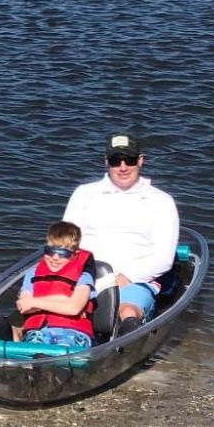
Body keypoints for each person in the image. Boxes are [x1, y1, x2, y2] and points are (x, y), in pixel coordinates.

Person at [61, 133, 180, 325]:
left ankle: (126, 340)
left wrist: (127, 277)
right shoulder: (84, 193)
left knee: (126, 310)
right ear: (107, 162)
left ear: (140, 161)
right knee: (45, 300)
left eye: (130, 160)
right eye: (116, 161)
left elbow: (164, 258)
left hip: (133, 281)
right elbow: (66, 242)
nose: (123, 167)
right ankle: (10, 333)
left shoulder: (162, 201)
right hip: (86, 275)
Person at [11, 220, 97, 348]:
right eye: (50, 251)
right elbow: (24, 306)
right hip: (38, 331)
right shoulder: (33, 273)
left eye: (63, 253)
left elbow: (73, 308)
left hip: (73, 332)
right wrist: (63, 300)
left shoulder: (83, 276)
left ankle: (51, 364)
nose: (55, 257)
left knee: (63, 347)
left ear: (75, 254)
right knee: (34, 345)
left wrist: (35, 302)